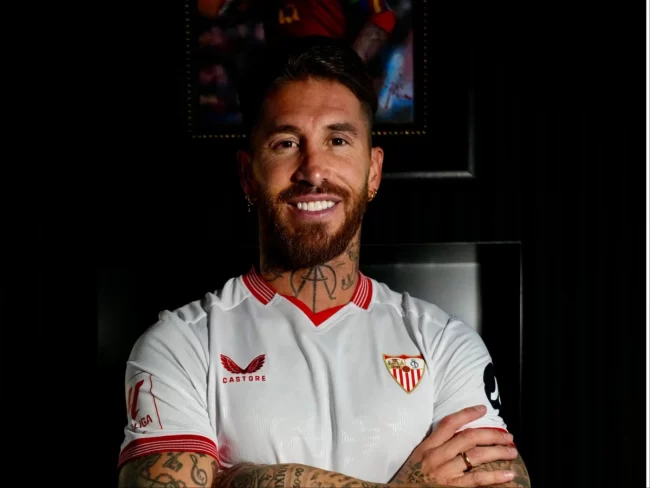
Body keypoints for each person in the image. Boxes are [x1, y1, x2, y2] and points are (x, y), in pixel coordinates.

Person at [117, 37, 531, 487]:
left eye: (337, 140)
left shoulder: (445, 343)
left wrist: (239, 479)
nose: (313, 170)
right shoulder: (179, 344)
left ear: (373, 171)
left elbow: (505, 480)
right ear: (248, 175)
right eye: (286, 143)